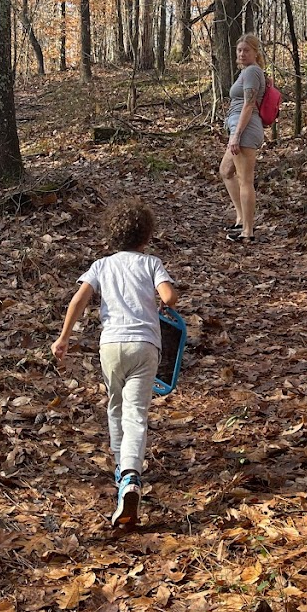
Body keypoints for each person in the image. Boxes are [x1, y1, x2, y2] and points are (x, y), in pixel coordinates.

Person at [51, 199, 176, 529]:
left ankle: (121, 469)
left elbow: (79, 300)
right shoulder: (151, 263)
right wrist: (163, 300)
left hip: (110, 346)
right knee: (136, 412)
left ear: (113, 234)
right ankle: (131, 476)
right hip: (145, 345)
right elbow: (168, 297)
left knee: (115, 407)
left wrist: (64, 337)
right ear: (146, 236)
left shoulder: (101, 266)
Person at [220, 33, 267, 242]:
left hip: (245, 130)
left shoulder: (252, 72)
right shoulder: (248, 72)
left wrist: (236, 135)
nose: (242, 53)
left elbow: (249, 105)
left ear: (255, 52)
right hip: (239, 128)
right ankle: (241, 219)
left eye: (246, 50)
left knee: (245, 180)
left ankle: (248, 231)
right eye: (239, 50)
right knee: (226, 171)